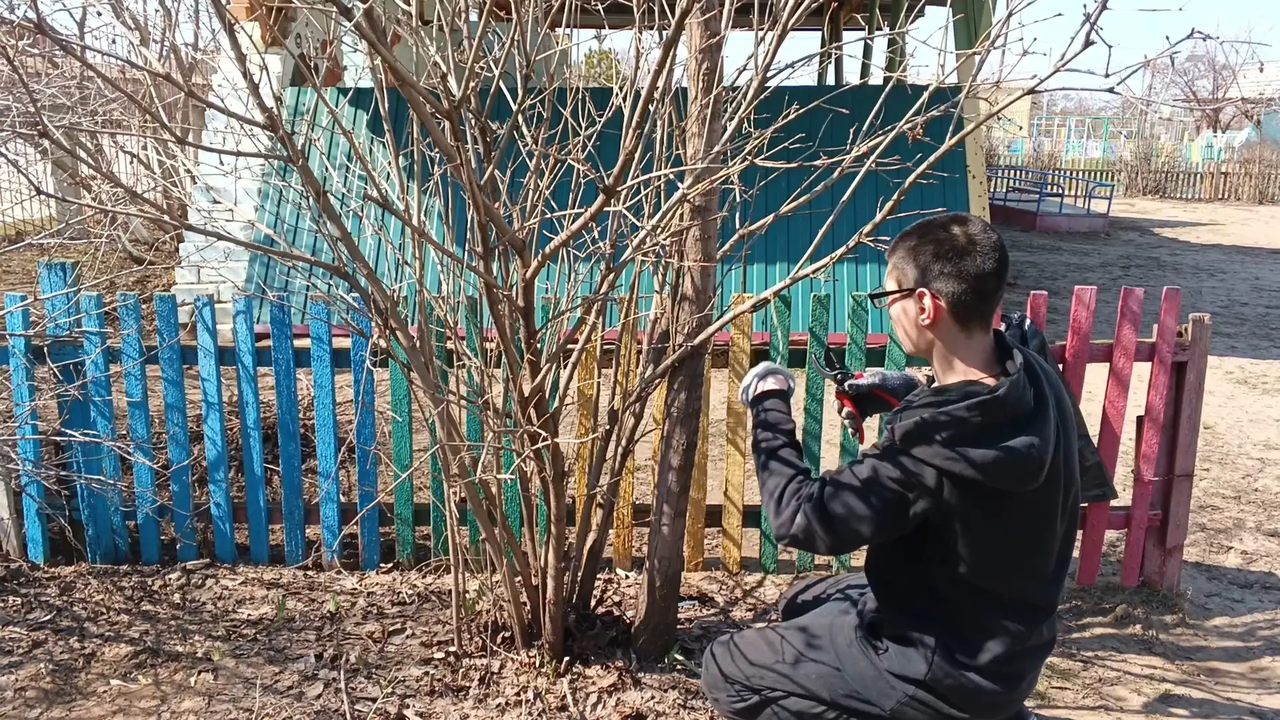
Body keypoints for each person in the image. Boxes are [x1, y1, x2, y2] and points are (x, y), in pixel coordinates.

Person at [700, 212, 1080, 720]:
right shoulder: (1032, 370)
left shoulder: (929, 447)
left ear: (924, 305)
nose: (887, 310)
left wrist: (769, 399)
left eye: (888, 296)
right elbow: (978, 417)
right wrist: (909, 390)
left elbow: (799, 517)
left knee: (725, 667)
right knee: (804, 599)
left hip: (933, 668)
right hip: (1004, 647)